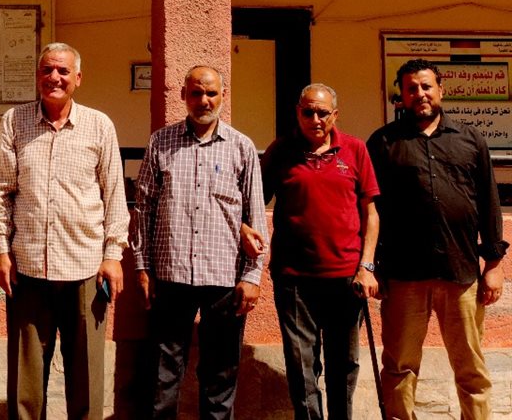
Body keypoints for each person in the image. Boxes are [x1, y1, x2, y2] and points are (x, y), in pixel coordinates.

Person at [0, 42, 129, 420]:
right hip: (28, 268)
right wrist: (1, 250)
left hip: (85, 268)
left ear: (77, 78)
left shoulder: (99, 125)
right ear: (38, 75)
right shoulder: (14, 121)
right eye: (47, 70)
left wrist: (113, 255)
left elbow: (114, 195)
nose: (54, 77)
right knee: (26, 383)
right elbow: (1, 192)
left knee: (86, 378)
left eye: (63, 71)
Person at [367, 58, 507, 420]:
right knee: (399, 366)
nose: (420, 94)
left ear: (441, 90)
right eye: (411, 88)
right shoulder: (383, 143)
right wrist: (370, 266)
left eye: (426, 86)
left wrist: (493, 265)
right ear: (402, 95)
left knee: (471, 368)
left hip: (460, 273)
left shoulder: (470, 139)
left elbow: (489, 202)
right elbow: (369, 209)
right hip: (403, 275)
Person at [131, 64, 267, 420]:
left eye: (211, 93)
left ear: (223, 96)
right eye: (196, 93)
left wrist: (252, 276)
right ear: (184, 96)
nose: (204, 100)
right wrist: (143, 268)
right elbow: (144, 208)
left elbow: (255, 217)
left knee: (220, 374)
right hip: (170, 276)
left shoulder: (241, 147)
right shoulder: (161, 142)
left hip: (224, 278)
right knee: (162, 374)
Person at [260, 84, 380, 420]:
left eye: (322, 113)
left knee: (344, 363)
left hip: (346, 277)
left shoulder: (355, 149)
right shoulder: (281, 151)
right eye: (308, 112)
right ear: (297, 112)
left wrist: (367, 266)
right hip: (294, 279)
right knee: (301, 365)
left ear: (334, 115)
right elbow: (255, 202)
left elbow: (371, 213)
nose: (315, 119)